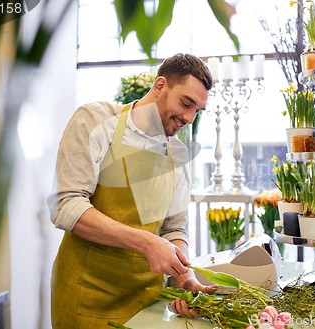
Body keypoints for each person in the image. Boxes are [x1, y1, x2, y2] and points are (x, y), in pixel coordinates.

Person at [48, 53, 218, 328]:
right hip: (86, 295)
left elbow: (174, 228)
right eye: (186, 103)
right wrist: (145, 242)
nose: (189, 118)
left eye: (197, 110)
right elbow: (66, 205)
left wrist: (184, 277)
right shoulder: (94, 121)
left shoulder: (177, 153)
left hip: (148, 302)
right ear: (160, 85)